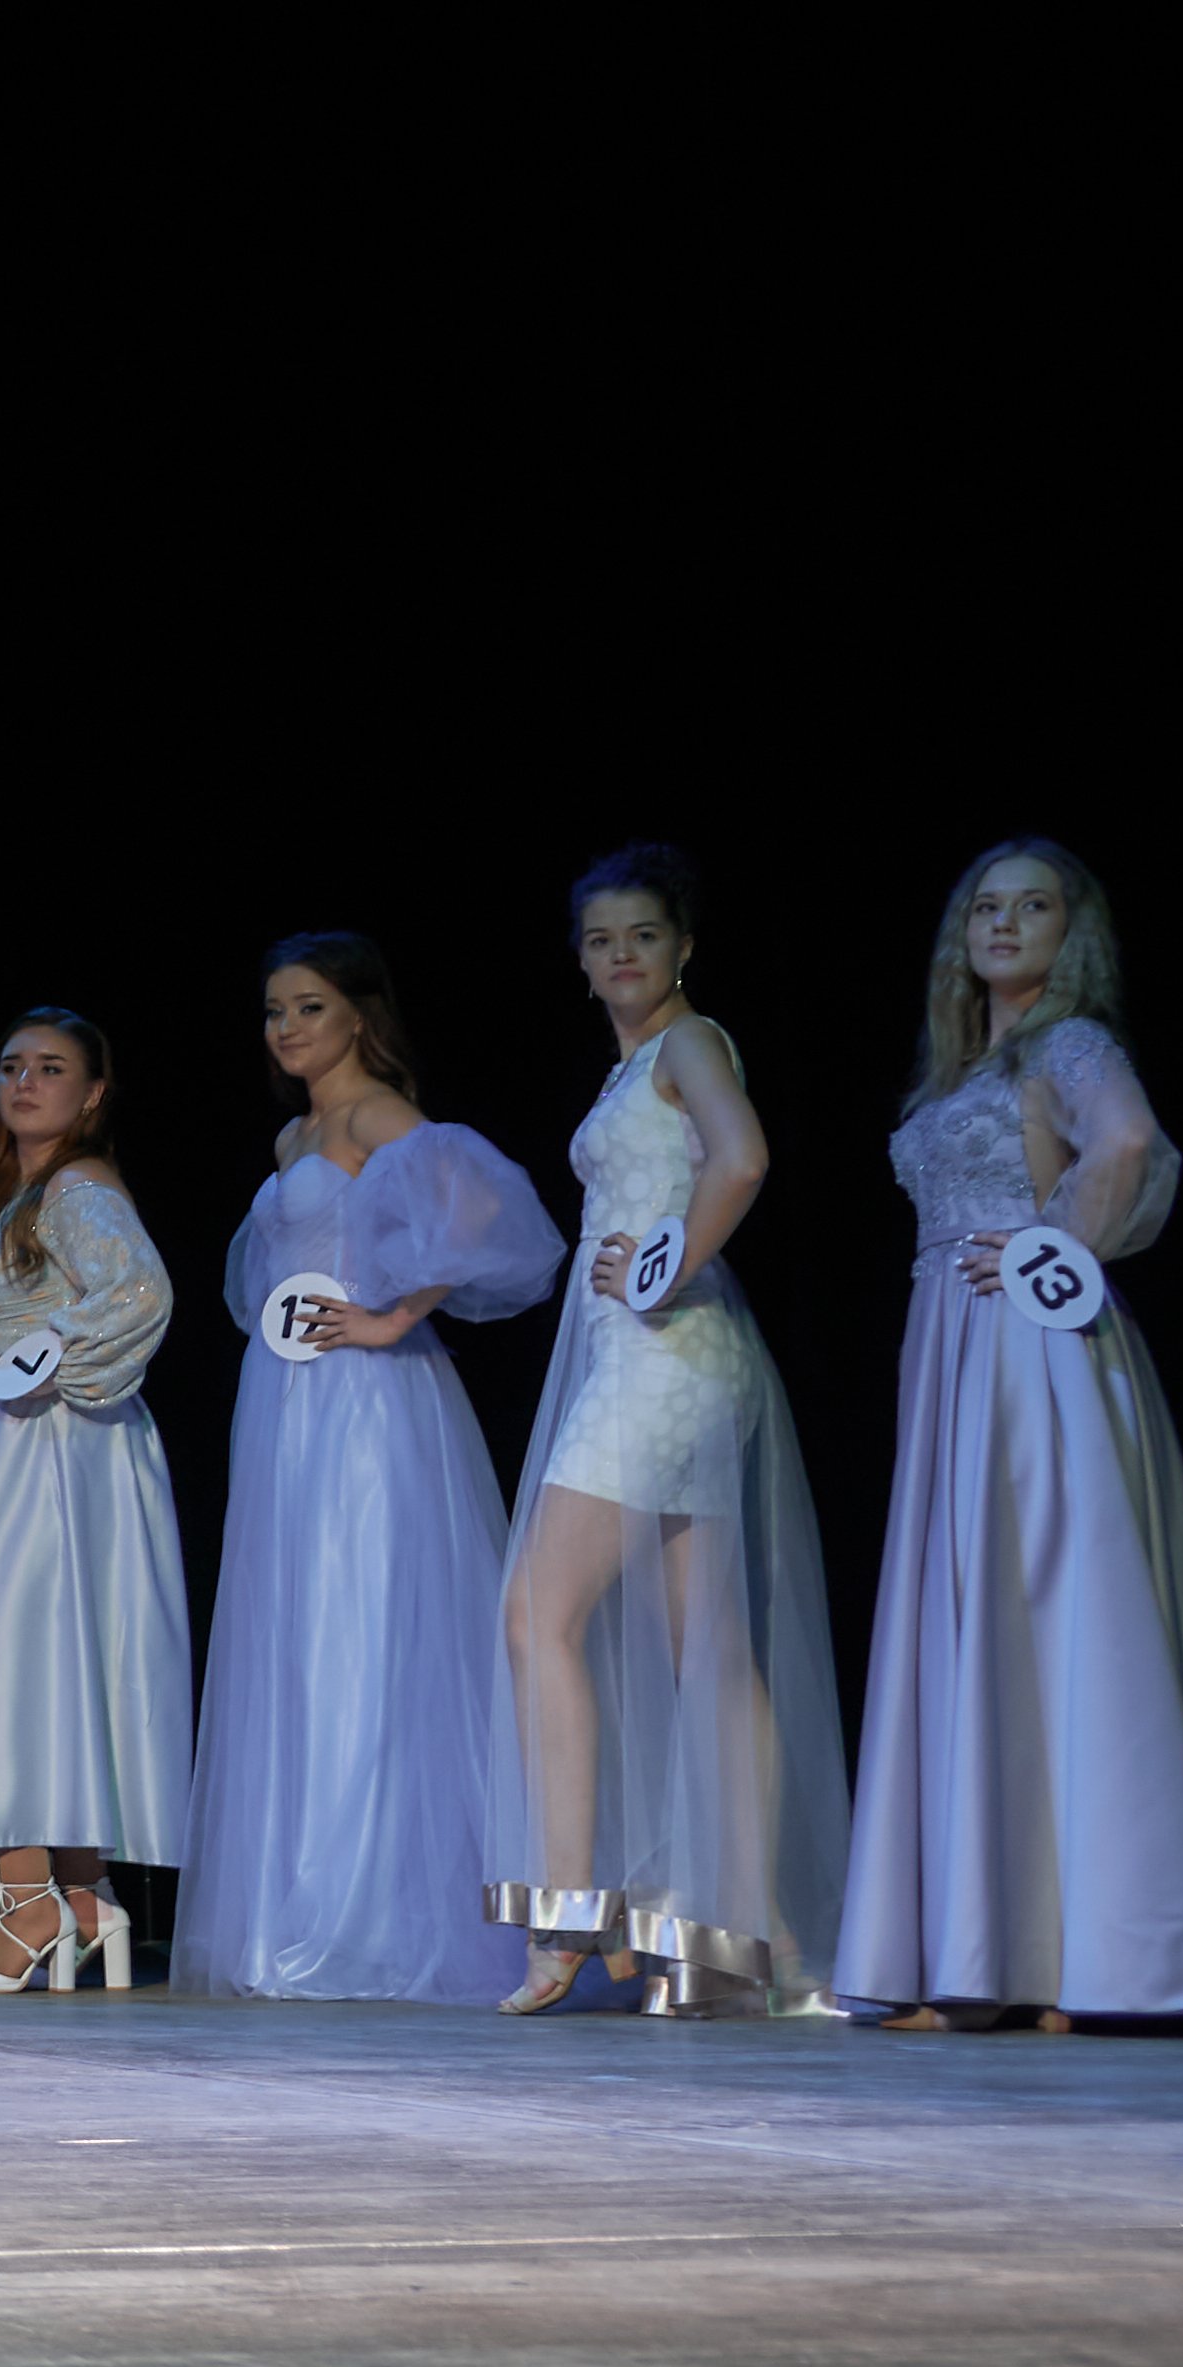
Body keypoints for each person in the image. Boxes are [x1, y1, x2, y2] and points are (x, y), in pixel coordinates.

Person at [835, 841, 1183, 2027]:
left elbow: (1126, 1142)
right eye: (984, 906)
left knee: (1048, 1618)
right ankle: (985, 1957)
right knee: (982, 1628)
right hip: (955, 1354)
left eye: (1030, 906)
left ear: (1067, 932)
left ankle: (1075, 1961)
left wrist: (1054, 1245)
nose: (1002, 923)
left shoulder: (1067, 1044)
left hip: (1027, 1352)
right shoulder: (967, 1065)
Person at [483, 843, 845, 2016]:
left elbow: (742, 1159)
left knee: (535, 1614)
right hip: (678, 1360)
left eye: (641, 935)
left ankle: (566, 1914)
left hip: (662, 1361)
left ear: (682, 946)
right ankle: (767, 1936)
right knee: (710, 1652)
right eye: (599, 941)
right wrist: (658, 1266)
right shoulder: (638, 1063)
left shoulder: (688, 1043)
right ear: (580, 963)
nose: (620, 955)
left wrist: (662, 1264)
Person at [173, 936, 557, 2005]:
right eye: (273, 1010)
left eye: (308, 1006)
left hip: (363, 1403)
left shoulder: (376, 1115)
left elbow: (486, 1213)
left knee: (364, 1625)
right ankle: (301, 1901)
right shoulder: (295, 1131)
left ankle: (374, 1913)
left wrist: (392, 1316)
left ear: (356, 1016)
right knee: (294, 1634)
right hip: (287, 1400)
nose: (286, 1027)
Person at [0, 1011, 192, 1994]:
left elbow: (139, 1295)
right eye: (11, 1066)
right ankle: (80, 1897)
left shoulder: (76, 1187)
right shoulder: (32, 1195)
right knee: (51, 1666)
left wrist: (48, 1363)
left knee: (8, 1665)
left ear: (93, 1091)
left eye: (51, 1068)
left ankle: (27, 1904)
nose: (24, 1082)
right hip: (22, 1445)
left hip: (48, 1451)